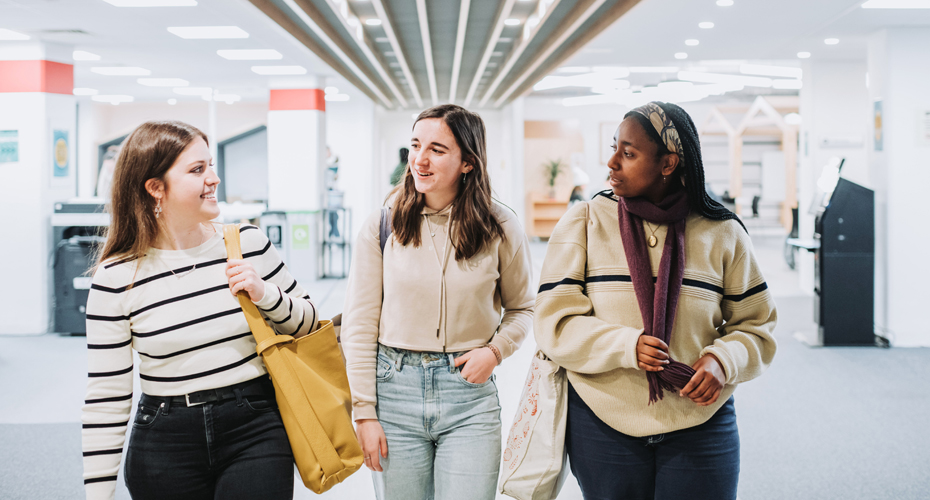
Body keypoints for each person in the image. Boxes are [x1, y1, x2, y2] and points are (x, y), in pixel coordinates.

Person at [534, 102, 777, 500]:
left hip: (700, 419)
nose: (611, 162)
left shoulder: (723, 232)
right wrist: (626, 346)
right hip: (602, 419)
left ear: (668, 164)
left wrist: (723, 360)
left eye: (628, 153)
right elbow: (553, 322)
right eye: (614, 148)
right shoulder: (585, 222)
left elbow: (757, 324)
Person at [81, 121, 318, 500]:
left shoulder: (246, 243)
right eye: (197, 170)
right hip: (164, 438)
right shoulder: (116, 277)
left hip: (254, 427)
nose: (214, 178)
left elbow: (309, 324)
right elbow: (106, 395)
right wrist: (97, 493)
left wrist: (264, 293)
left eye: (211, 165)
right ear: (155, 187)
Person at [341, 104, 534, 500]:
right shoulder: (384, 224)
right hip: (394, 390)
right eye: (414, 145)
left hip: (468, 396)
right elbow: (359, 324)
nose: (419, 160)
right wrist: (363, 412)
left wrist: (496, 351)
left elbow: (523, 307)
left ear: (468, 161)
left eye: (437, 149)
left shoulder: (499, 226)